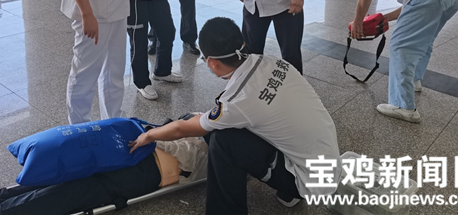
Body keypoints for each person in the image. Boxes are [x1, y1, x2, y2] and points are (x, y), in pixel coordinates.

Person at [130, 17, 341, 214]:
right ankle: (284, 186)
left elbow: (183, 128)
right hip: (327, 162)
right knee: (227, 124)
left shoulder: (239, 99)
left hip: (309, 181)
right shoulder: (273, 62)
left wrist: (149, 135)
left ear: (212, 62)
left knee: (222, 140)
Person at [350, 0, 458, 123]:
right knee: (425, 39)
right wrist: (383, 19)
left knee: (401, 46)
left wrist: (357, 21)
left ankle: (403, 106)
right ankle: (414, 81)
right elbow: (412, 5)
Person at [0, 137, 208, 215]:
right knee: (71, 170)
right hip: (145, 151)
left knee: (81, 188)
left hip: (157, 169)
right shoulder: (215, 115)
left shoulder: (220, 143)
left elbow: (194, 154)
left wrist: (161, 136)